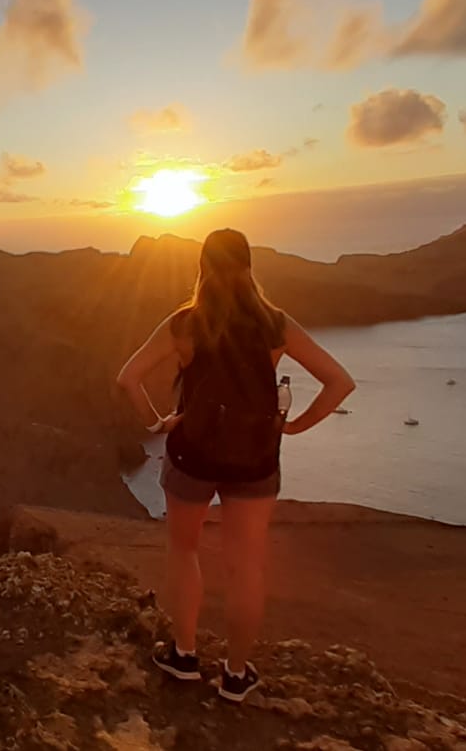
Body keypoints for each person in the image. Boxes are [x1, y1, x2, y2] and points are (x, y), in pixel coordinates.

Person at [115, 227, 355, 702]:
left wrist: (159, 422)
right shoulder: (276, 325)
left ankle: (183, 657)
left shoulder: (185, 324)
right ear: (249, 268)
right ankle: (236, 675)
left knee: (185, 552)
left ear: (202, 268)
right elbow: (339, 382)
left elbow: (129, 378)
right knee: (246, 566)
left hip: (191, 455)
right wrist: (294, 426)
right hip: (256, 460)